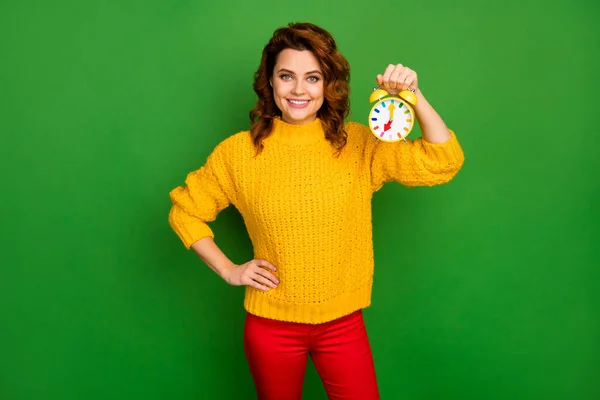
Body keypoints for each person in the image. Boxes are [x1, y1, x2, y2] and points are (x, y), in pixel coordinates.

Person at [168, 22, 464, 400]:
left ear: (328, 84)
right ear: (269, 82)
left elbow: (443, 161)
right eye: (286, 76)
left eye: (313, 77)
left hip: (343, 325)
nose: (298, 89)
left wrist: (414, 95)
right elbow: (185, 212)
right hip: (270, 327)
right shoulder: (237, 154)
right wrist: (229, 269)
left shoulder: (359, 144)